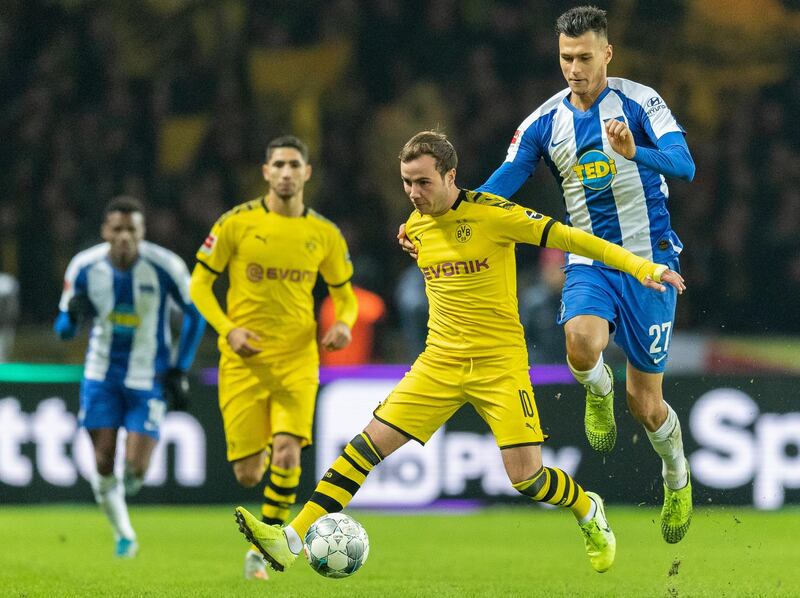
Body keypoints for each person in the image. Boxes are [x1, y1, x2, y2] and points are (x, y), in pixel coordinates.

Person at [233, 131, 685, 575]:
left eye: (423, 182)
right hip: (439, 363)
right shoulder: (414, 227)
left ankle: (588, 507)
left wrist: (640, 265)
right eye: (407, 182)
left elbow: (573, 239)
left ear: (451, 175)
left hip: (499, 366)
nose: (413, 193)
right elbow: (422, 236)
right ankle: (289, 539)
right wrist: (411, 231)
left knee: (527, 478)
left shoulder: (494, 214)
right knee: (364, 448)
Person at [189, 135, 358, 581]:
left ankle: (266, 548)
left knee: (287, 453)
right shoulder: (235, 224)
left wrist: (343, 324)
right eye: (278, 164)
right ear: (265, 172)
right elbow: (199, 287)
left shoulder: (323, 233)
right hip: (243, 361)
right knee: (248, 474)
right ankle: (266, 491)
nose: (286, 172)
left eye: (293, 164)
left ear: (307, 173)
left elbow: (346, 297)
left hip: (298, 360)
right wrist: (229, 329)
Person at [54, 196, 205, 558]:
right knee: (104, 460)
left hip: (147, 377)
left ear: (142, 232)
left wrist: (179, 368)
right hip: (100, 375)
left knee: (135, 470)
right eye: (117, 229)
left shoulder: (165, 265)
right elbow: (63, 331)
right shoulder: (84, 267)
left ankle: (125, 491)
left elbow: (195, 316)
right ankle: (124, 534)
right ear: (105, 231)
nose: (124, 237)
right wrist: (72, 318)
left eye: (131, 230)